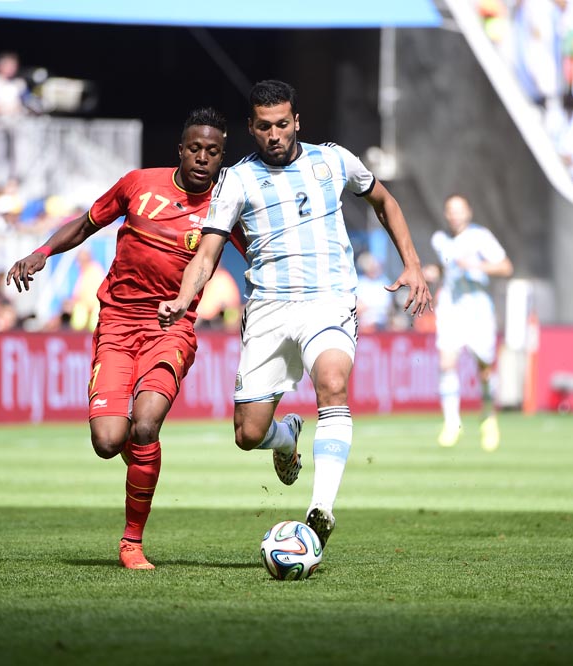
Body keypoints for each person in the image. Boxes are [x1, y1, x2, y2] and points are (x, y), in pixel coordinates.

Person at [158, 80, 430, 548]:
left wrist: (413, 263)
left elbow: (384, 201)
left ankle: (320, 509)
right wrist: (184, 298)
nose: (274, 134)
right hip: (268, 310)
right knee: (248, 434)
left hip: (329, 301)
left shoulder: (334, 160)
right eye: (264, 126)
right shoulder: (236, 180)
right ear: (251, 128)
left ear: (297, 122)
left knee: (333, 383)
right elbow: (206, 253)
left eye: (282, 124)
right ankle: (286, 438)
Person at [5, 108, 228, 570]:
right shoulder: (138, 184)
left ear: (221, 157)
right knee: (108, 442)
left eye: (212, 151)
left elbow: (264, 254)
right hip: (118, 324)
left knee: (146, 424)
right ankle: (143, 458)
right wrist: (42, 252)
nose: (202, 158)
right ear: (180, 150)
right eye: (194, 148)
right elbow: (86, 223)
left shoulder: (226, 207)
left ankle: (131, 542)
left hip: (171, 327)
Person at [431, 194, 514, 452]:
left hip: (478, 309)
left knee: (484, 368)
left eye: (459, 210)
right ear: (446, 214)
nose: (455, 215)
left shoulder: (481, 236)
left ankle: (488, 417)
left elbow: (505, 267)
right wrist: (433, 272)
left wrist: (476, 265)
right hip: (451, 308)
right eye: (451, 210)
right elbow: (446, 267)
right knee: (446, 362)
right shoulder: (440, 239)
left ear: (469, 212)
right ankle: (452, 422)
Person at [0, 52, 28, 185]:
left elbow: (26, 103)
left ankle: (11, 183)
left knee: (14, 158)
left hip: (14, 126)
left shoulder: (19, 84)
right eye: (9, 66)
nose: (11, 69)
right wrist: (6, 109)